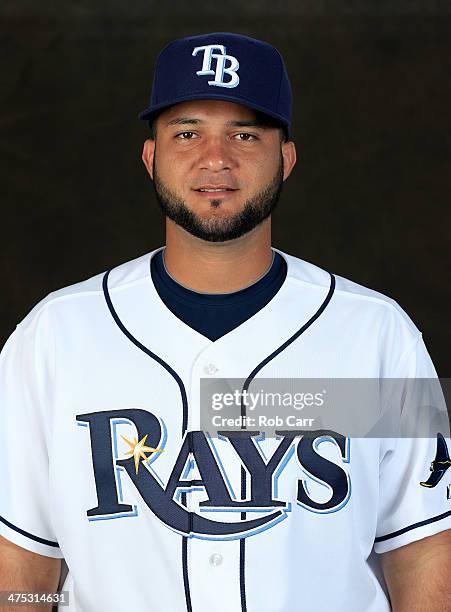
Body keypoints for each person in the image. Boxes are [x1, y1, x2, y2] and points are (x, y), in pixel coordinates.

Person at [0, 31, 450, 612]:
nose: (216, 159)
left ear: (284, 160)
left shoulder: (376, 334)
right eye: (187, 133)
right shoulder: (55, 337)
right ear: (150, 156)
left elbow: (424, 553)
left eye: (245, 134)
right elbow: (21, 564)